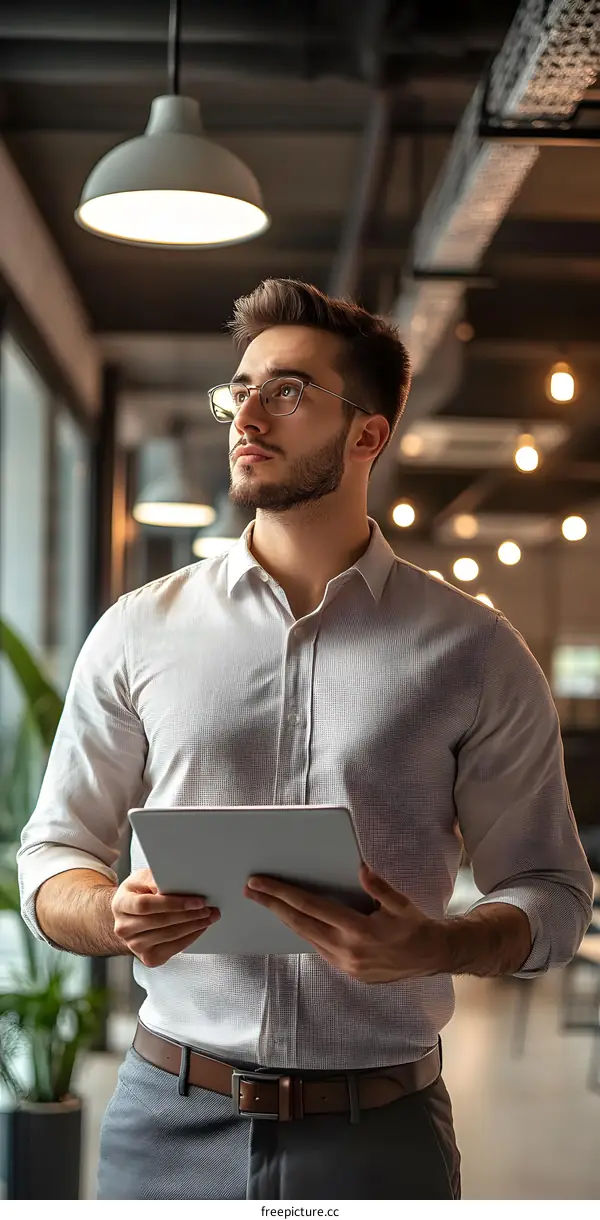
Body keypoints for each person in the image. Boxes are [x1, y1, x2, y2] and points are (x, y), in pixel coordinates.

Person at [17, 279, 593, 1202]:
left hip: (383, 1134)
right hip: (166, 1118)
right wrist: (109, 914)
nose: (248, 411)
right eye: (240, 388)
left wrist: (438, 942)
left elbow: (556, 895)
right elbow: (51, 855)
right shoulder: (136, 630)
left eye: (286, 389)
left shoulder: (475, 652)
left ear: (368, 434)